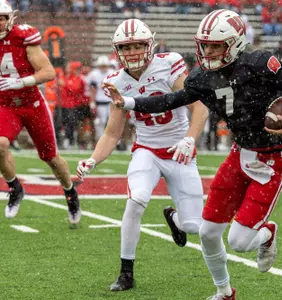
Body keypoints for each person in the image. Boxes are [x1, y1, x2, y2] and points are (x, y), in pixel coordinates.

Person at [104, 10, 282, 300]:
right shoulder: (202, 78)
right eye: (205, 45)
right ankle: (224, 292)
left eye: (216, 46)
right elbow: (170, 100)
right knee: (207, 232)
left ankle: (267, 233)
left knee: (240, 242)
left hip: (270, 159)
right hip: (238, 155)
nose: (209, 52)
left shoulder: (257, 65)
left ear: (236, 43)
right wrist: (127, 101)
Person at [76, 19, 208, 292]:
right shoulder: (115, 80)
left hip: (178, 150)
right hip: (146, 149)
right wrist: (92, 159)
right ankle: (126, 272)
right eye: (127, 46)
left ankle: (174, 218)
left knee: (194, 227)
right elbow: (113, 133)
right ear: (117, 50)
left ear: (150, 45)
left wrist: (189, 139)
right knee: (136, 200)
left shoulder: (168, 64)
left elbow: (200, 108)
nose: (133, 51)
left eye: (138, 45)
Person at [0, 0, 80, 224]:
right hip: (5, 104)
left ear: (9, 19)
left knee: (51, 158)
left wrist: (21, 82)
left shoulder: (23, 37)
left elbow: (47, 72)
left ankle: (70, 192)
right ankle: (15, 187)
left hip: (31, 103)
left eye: (1, 18)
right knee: (0, 144)